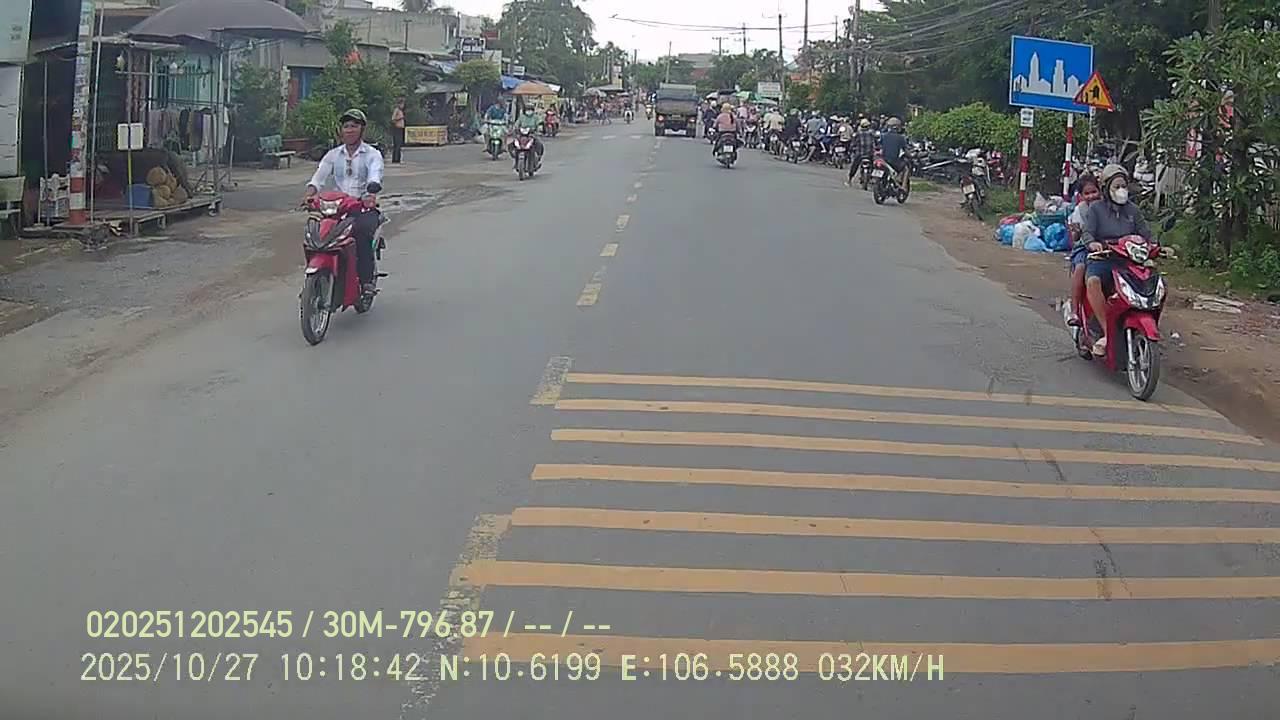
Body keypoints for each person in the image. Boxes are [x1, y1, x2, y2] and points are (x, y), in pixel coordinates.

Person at [303, 108, 384, 295]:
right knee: (314, 234)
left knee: (361, 234)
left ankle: (366, 281)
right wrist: (309, 194)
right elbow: (319, 177)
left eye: (354, 126)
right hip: (337, 209)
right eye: (346, 126)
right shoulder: (333, 155)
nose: (349, 130)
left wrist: (371, 192)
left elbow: (375, 174)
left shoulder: (372, 154)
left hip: (362, 208)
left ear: (362, 129)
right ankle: (314, 282)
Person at [1079, 163, 1152, 356]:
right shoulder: (1096, 209)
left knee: (1150, 282)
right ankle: (1106, 332)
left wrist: (1156, 246)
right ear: (1106, 189)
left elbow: (1146, 234)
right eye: (1116, 186)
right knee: (1093, 281)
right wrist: (1093, 244)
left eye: (1124, 186)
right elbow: (1087, 233)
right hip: (1103, 258)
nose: (1121, 190)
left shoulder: (1133, 211)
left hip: (1128, 261)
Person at [1065, 173, 1102, 327]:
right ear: (1080, 196)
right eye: (1087, 193)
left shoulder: (1106, 207)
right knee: (1080, 267)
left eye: (1094, 192)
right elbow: (1075, 238)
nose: (1091, 196)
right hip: (1083, 248)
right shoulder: (1079, 211)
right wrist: (1076, 232)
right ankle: (1074, 310)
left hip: (1105, 247)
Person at [845, 118, 877, 187]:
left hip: (860, 153)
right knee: (874, 165)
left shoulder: (858, 133)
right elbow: (876, 141)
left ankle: (850, 179)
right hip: (870, 154)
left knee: (854, 166)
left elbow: (853, 143)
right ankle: (872, 178)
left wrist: (851, 149)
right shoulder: (872, 133)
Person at [879, 116, 910, 187]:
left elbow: (879, 146)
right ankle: (903, 186)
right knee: (906, 168)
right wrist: (911, 155)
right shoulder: (901, 138)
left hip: (884, 160)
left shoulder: (883, 136)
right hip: (894, 161)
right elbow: (906, 150)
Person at [390, 98, 407, 164]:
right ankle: (395, 159)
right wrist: (400, 118)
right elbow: (393, 119)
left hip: (400, 129)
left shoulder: (401, 111)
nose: (403, 106)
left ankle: (398, 159)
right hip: (397, 128)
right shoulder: (396, 110)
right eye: (402, 104)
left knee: (399, 144)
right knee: (397, 144)